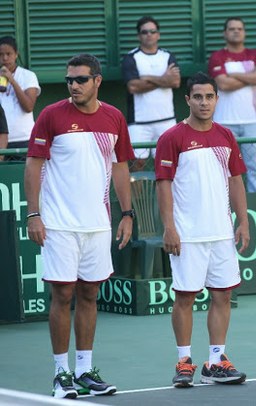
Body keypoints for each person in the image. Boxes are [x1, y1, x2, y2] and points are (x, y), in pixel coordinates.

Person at [24, 54, 134, 399]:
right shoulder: (50, 115)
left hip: (98, 225)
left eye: (81, 79)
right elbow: (33, 165)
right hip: (58, 224)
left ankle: (85, 371)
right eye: (70, 80)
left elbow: (119, 167)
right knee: (63, 294)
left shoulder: (114, 117)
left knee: (89, 294)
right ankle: (61, 374)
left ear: (97, 81)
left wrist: (127, 213)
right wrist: (34, 214)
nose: (73, 85)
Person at [156, 72, 248, 388]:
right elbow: (164, 185)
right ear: (188, 100)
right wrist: (169, 227)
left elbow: (236, 180)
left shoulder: (225, 136)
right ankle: (184, 362)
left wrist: (243, 221)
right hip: (188, 234)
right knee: (185, 296)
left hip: (221, 232)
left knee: (223, 295)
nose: (204, 102)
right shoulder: (172, 137)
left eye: (209, 97)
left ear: (216, 99)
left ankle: (216, 361)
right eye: (198, 97)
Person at [208, 17, 256, 193]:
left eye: (239, 29)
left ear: (244, 32)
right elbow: (223, 85)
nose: (236, 31)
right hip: (223, 122)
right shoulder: (217, 57)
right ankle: (223, 204)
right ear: (224, 33)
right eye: (232, 28)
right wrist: (251, 75)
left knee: (255, 168)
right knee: (222, 169)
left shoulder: (255, 54)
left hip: (252, 122)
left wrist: (233, 75)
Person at [122, 16, 181, 169]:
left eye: (152, 31)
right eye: (144, 32)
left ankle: (166, 194)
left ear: (158, 34)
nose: (149, 35)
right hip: (139, 122)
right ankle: (138, 195)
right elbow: (133, 87)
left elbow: (175, 82)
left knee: (167, 164)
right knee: (137, 163)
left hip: (166, 120)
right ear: (139, 35)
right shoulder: (131, 58)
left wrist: (147, 78)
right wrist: (163, 79)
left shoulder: (167, 56)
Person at [0, 36, 41, 160]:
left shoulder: (28, 76)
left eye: (9, 54)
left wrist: (12, 80)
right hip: (2, 140)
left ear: (16, 54)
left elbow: (28, 106)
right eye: (1, 54)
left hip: (24, 139)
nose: (5, 58)